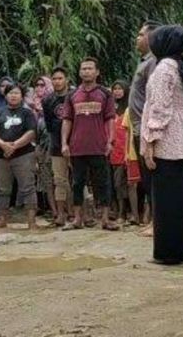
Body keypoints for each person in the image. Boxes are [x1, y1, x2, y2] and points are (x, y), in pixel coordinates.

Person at [140, 24, 183, 265]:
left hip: (167, 141)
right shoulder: (178, 66)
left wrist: (151, 141)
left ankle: (167, 252)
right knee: (178, 202)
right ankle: (179, 250)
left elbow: (160, 108)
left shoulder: (164, 69)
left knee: (166, 202)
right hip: (181, 140)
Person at [61, 57, 118, 231]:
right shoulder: (72, 95)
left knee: (103, 183)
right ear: (79, 72)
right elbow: (67, 120)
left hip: (99, 146)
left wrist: (110, 140)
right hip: (77, 148)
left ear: (97, 72)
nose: (86, 71)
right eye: (83, 68)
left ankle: (106, 219)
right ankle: (77, 219)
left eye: (90, 68)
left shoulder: (105, 94)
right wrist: (64, 143)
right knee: (77, 183)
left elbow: (110, 119)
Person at [0, 83, 38, 230]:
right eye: (10, 93)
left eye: (16, 93)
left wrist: (14, 145)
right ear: (5, 95)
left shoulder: (27, 113)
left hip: (23, 155)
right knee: (2, 189)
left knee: (28, 187)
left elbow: (31, 133)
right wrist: (3, 145)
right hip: (1, 156)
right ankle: (2, 219)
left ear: (22, 96)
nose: (13, 95)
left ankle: (31, 221)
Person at [128, 20, 162, 234]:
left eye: (141, 34)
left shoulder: (155, 63)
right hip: (138, 126)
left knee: (152, 176)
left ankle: (156, 221)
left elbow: (154, 97)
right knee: (146, 176)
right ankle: (153, 220)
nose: (137, 38)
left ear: (151, 38)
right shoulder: (145, 61)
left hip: (146, 126)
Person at [42, 67, 73, 226]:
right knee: (60, 180)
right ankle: (61, 214)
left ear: (66, 79)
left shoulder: (75, 96)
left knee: (79, 180)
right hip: (55, 144)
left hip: (76, 144)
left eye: (60, 78)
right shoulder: (47, 101)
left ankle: (81, 214)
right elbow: (49, 125)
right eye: (54, 79)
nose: (57, 82)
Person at [27, 76, 57, 217]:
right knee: (45, 181)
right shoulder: (32, 108)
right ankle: (53, 211)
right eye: (36, 85)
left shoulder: (54, 103)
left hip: (56, 148)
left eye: (42, 85)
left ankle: (66, 211)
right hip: (40, 149)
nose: (39, 88)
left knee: (60, 180)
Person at [110, 80, 135, 224]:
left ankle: (129, 212)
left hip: (128, 150)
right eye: (115, 88)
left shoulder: (130, 108)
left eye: (120, 88)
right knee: (116, 183)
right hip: (113, 150)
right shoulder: (110, 108)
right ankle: (119, 211)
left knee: (128, 183)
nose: (117, 91)